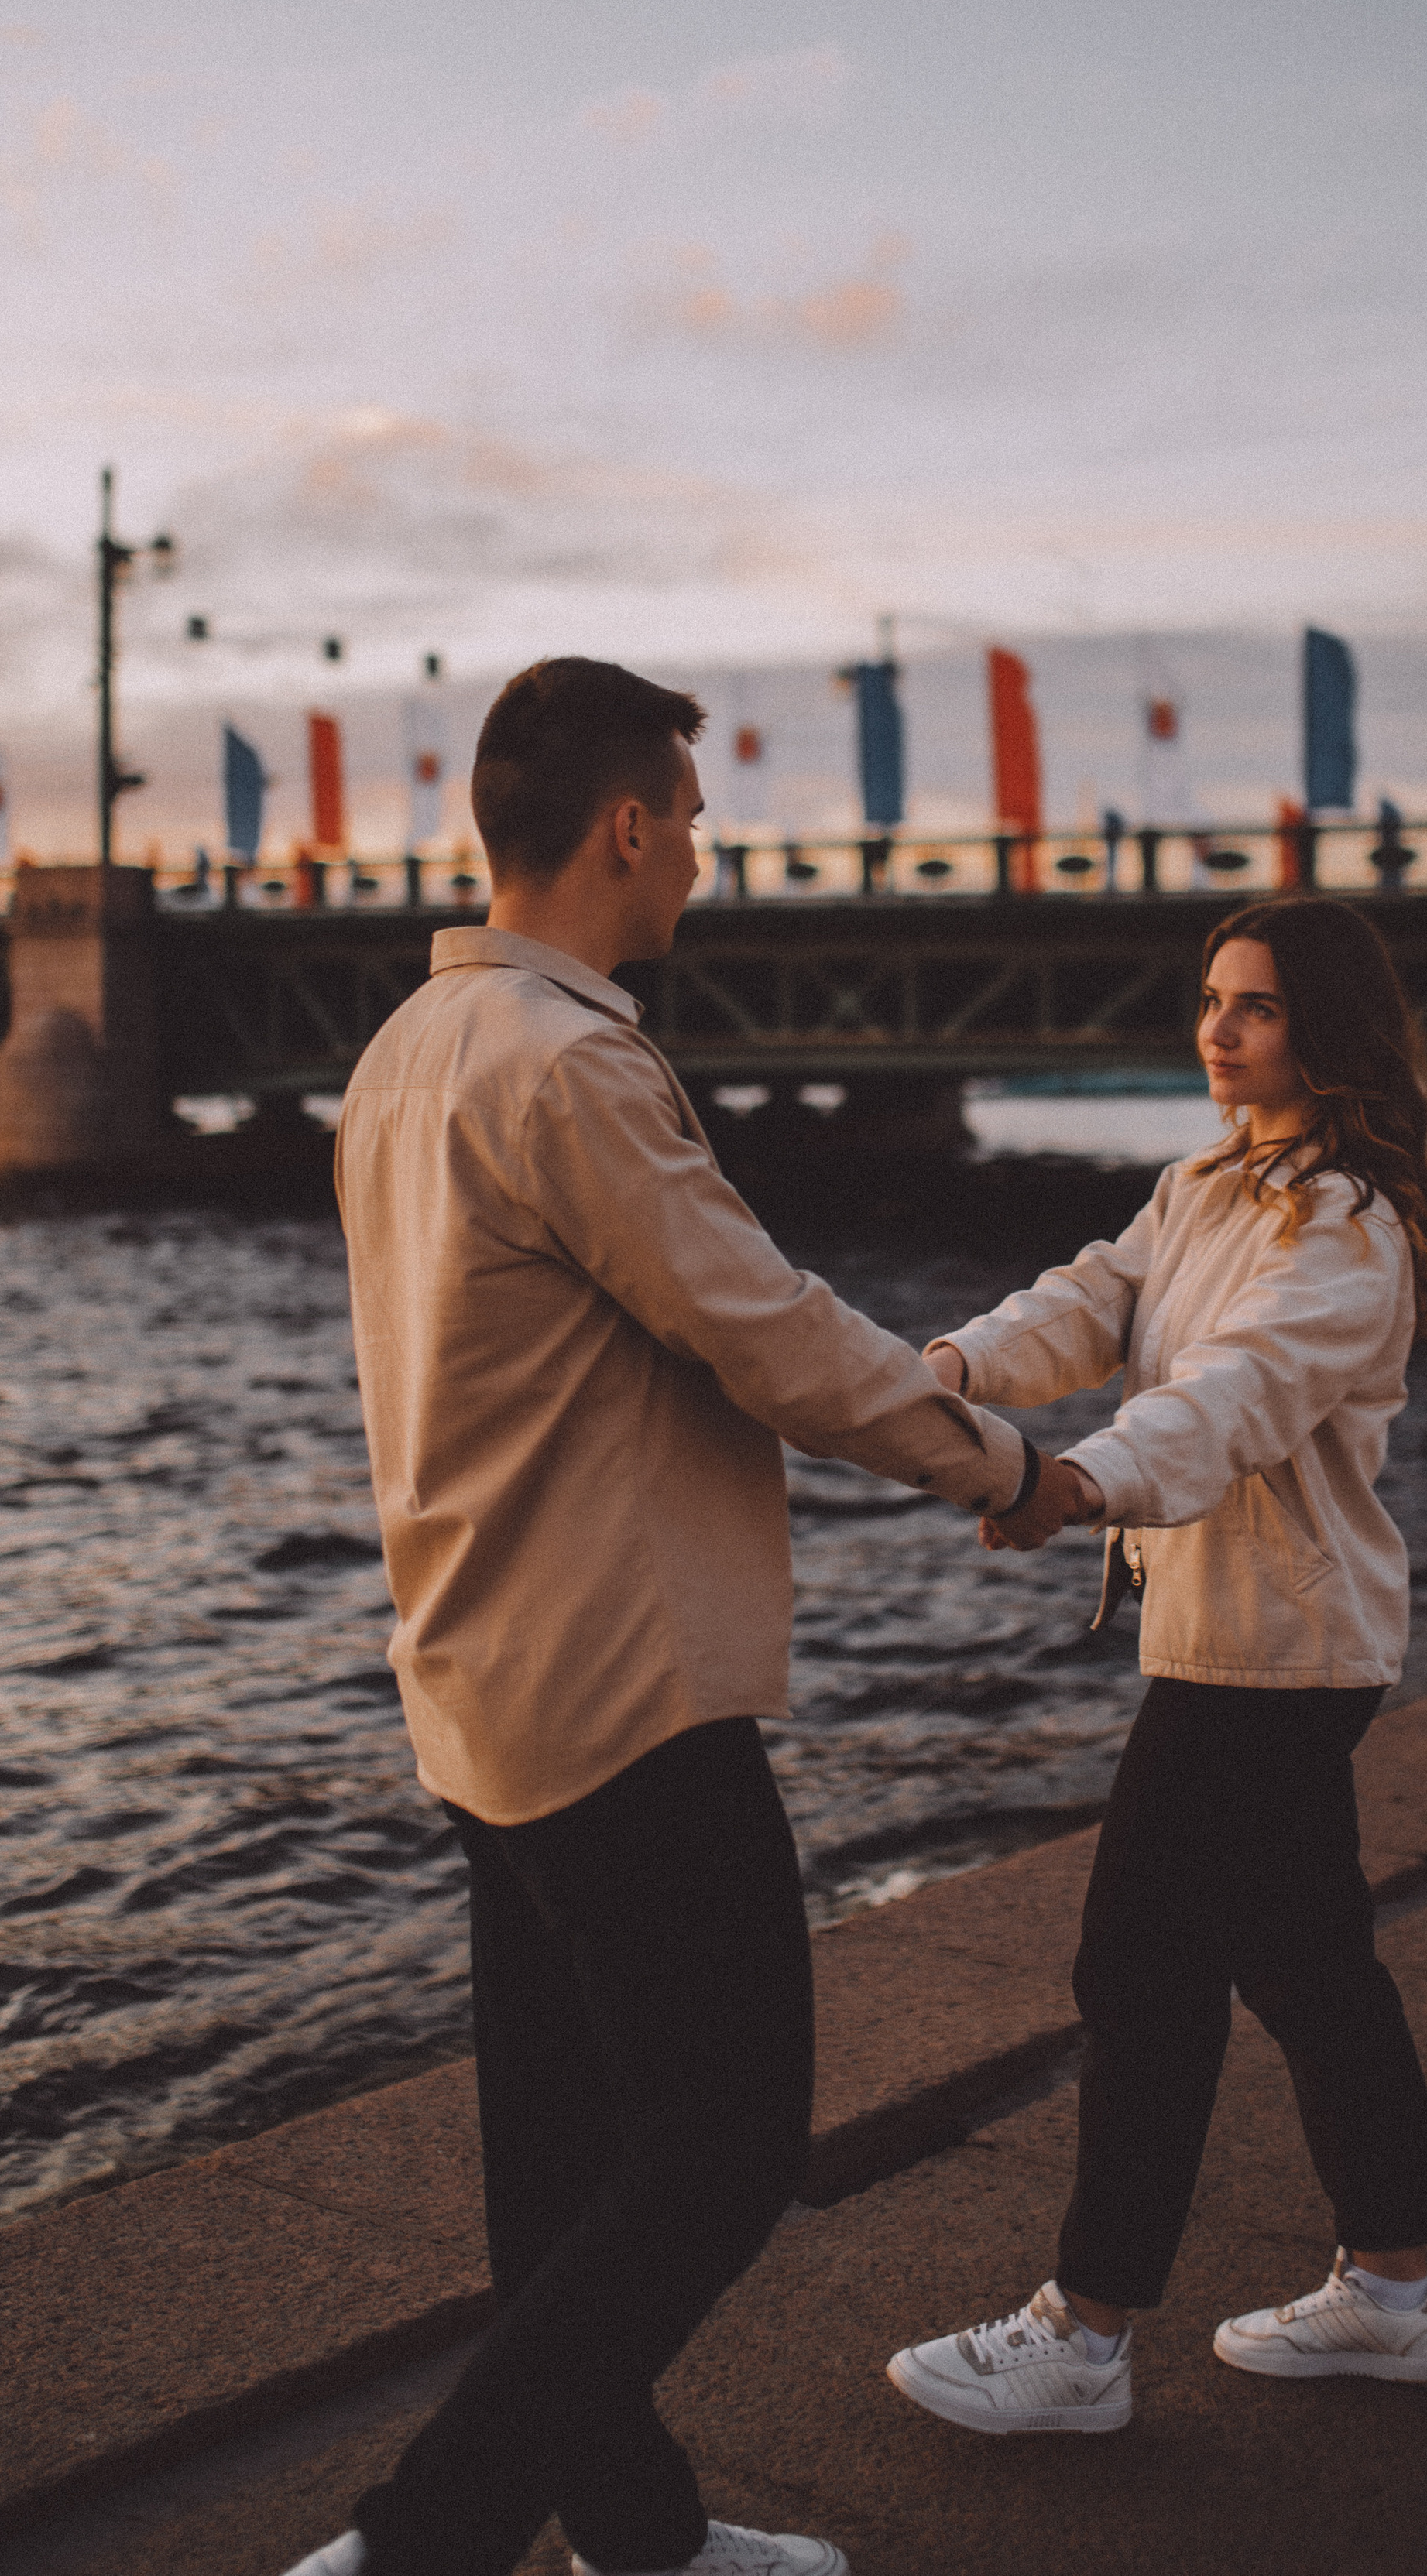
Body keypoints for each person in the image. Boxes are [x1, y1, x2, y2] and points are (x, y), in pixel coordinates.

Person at [283, 657, 1034, 2576]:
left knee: (557, 2172)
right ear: (625, 826)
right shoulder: (568, 1065)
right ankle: (414, 2548)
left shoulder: (402, 1054)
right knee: (723, 2141)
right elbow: (765, 1330)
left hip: (475, 1680)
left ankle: (639, 2541)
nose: (699, 855)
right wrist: (1002, 1463)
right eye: (691, 821)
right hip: (622, 1686)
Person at [886, 896, 1427, 2442]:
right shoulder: (1203, 1183)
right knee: (1305, 1961)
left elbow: (1236, 1391)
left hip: (1278, 1651)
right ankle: (1397, 2289)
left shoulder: (1343, 1226)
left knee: (1138, 1967)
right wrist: (950, 1368)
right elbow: (1095, 1300)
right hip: (1243, 1639)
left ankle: (1084, 2334)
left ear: (1323, 1027)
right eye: (1212, 999)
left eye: (1256, 1006)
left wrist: (1079, 1480)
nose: (1218, 1030)